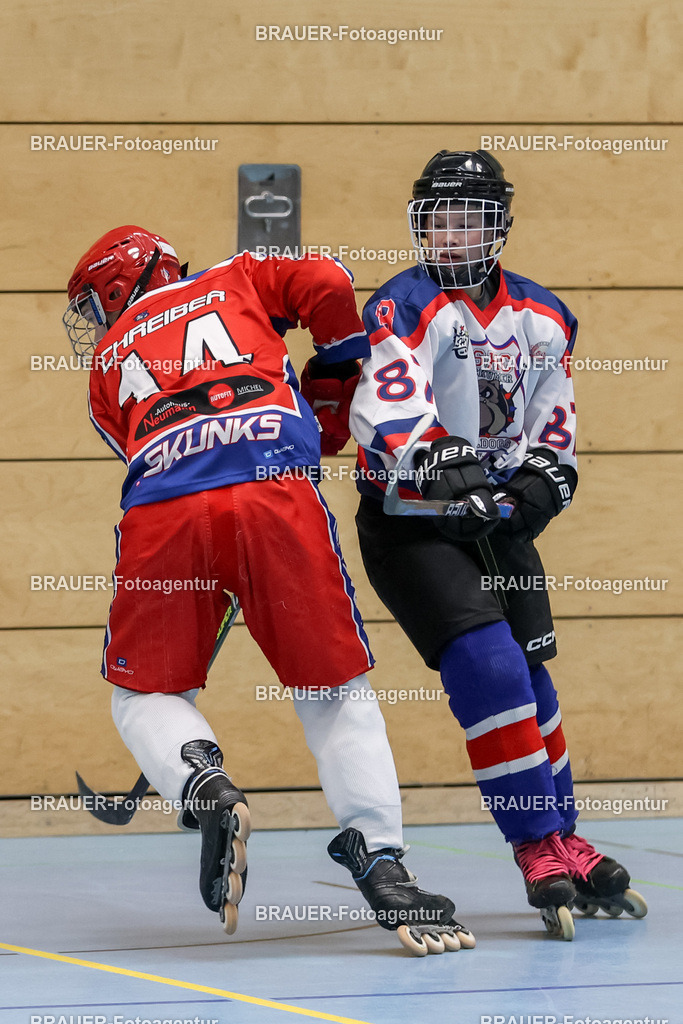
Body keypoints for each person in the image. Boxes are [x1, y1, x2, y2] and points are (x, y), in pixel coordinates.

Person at [62, 226, 474, 955]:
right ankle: (385, 869)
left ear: (122, 285)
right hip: (274, 492)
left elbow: (152, 444)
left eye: (95, 299)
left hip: (164, 514)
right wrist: (340, 369)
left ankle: (206, 790)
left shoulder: (106, 360)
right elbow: (328, 281)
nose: (95, 318)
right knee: (334, 691)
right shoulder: (239, 272)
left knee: (145, 696)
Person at [333, 151, 647, 939]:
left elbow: (554, 429)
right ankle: (533, 845)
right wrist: (454, 474)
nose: (447, 231)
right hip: (412, 525)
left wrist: (532, 490)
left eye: (465, 215)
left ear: (497, 223)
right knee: (490, 667)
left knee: (533, 678)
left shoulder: (543, 316)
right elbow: (390, 416)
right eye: (435, 216)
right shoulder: (400, 306)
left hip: (492, 522)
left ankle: (567, 839)